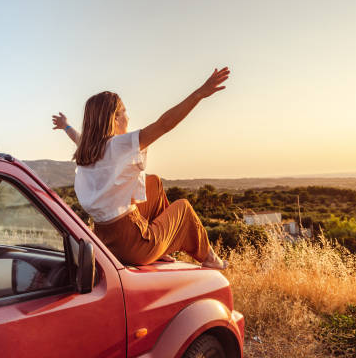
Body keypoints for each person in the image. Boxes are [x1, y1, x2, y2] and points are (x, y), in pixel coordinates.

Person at [51, 67, 230, 269]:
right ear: (114, 118)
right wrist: (199, 94)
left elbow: (77, 138)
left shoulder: (89, 148)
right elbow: (164, 124)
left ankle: (163, 250)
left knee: (153, 182)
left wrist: (66, 126)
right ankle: (211, 260)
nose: (128, 116)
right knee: (184, 208)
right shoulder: (119, 145)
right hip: (135, 245)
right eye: (124, 111)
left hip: (106, 240)